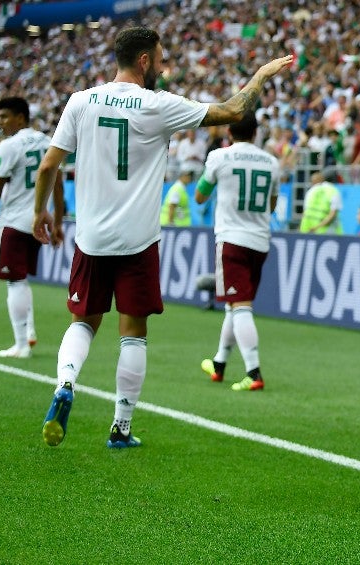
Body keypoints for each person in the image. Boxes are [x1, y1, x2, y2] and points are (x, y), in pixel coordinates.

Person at [32, 26, 293, 449]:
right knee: (133, 332)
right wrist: (260, 77)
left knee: (83, 322)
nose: (163, 64)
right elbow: (230, 111)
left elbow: (48, 167)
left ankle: (65, 384)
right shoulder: (159, 106)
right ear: (144, 61)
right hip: (138, 241)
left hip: (91, 237)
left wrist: (40, 211)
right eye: (160, 57)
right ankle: (121, 427)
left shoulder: (80, 101)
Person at [195, 112, 279, 391]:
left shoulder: (220, 157)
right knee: (236, 305)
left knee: (240, 306)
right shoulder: (271, 162)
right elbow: (272, 205)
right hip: (260, 240)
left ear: (230, 133)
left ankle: (254, 373)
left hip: (232, 239)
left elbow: (200, 195)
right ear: (256, 134)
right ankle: (219, 364)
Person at [0, 96, 65, 358]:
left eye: (4, 117)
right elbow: (57, 183)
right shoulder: (47, 141)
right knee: (21, 279)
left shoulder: (8, 146)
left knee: (15, 282)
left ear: (20, 117)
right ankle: (29, 332)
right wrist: (57, 222)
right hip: (38, 221)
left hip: (13, 220)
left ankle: (21, 344)